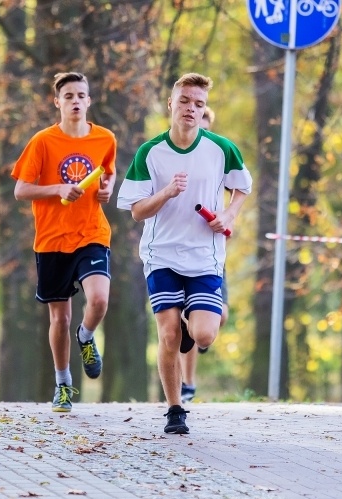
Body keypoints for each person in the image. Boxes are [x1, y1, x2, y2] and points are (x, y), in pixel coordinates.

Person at [117, 73, 253, 434]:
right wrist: (165, 193)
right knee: (168, 336)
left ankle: (191, 328)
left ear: (204, 108)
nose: (191, 109)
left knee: (205, 335)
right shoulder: (151, 152)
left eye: (198, 104)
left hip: (205, 256)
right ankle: (175, 410)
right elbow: (136, 210)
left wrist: (228, 214)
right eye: (185, 102)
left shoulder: (221, 148)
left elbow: (242, 188)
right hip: (161, 255)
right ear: (171, 105)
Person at [11, 72, 117, 413]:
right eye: (68, 95)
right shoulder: (43, 141)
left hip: (91, 233)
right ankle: (63, 385)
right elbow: (21, 189)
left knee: (99, 300)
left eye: (80, 95)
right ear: (57, 102)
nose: (75, 100)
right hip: (52, 239)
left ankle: (86, 337)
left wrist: (107, 188)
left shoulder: (104, 138)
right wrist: (56, 189)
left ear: (89, 101)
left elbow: (108, 171)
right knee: (60, 319)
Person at [180, 105, 230, 404]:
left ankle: (201, 331)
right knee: (185, 321)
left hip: (212, 253)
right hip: (178, 254)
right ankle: (187, 384)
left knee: (219, 315)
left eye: (208, 128)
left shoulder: (219, 162)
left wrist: (227, 220)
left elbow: (235, 199)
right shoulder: (175, 159)